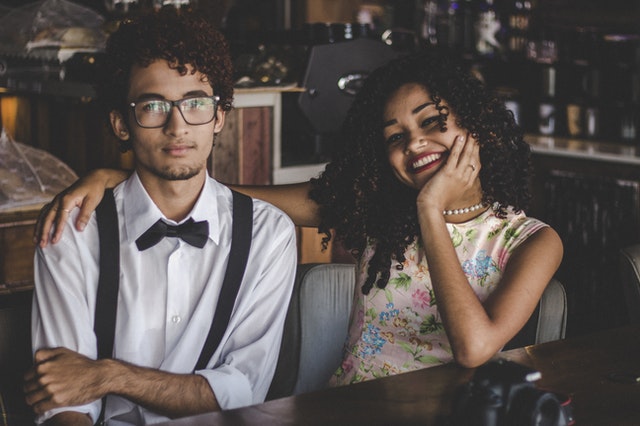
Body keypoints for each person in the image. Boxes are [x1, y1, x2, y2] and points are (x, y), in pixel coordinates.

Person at [36, 51, 562, 387]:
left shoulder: (532, 242)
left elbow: (474, 348)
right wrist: (124, 178)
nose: (415, 144)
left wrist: (430, 208)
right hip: (345, 415)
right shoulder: (378, 209)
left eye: (432, 124)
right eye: (395, 137)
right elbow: (223, 196)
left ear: (478, 128)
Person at [25, 7, 297, 425]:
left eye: (196, 103)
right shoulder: (73, 231)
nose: (178, 126)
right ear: (121, 123)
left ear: (219, 116)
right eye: (153, 105)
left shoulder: (269, 234)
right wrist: (87, 388)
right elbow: (66, 401)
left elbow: (242, 389)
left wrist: (110, 376)